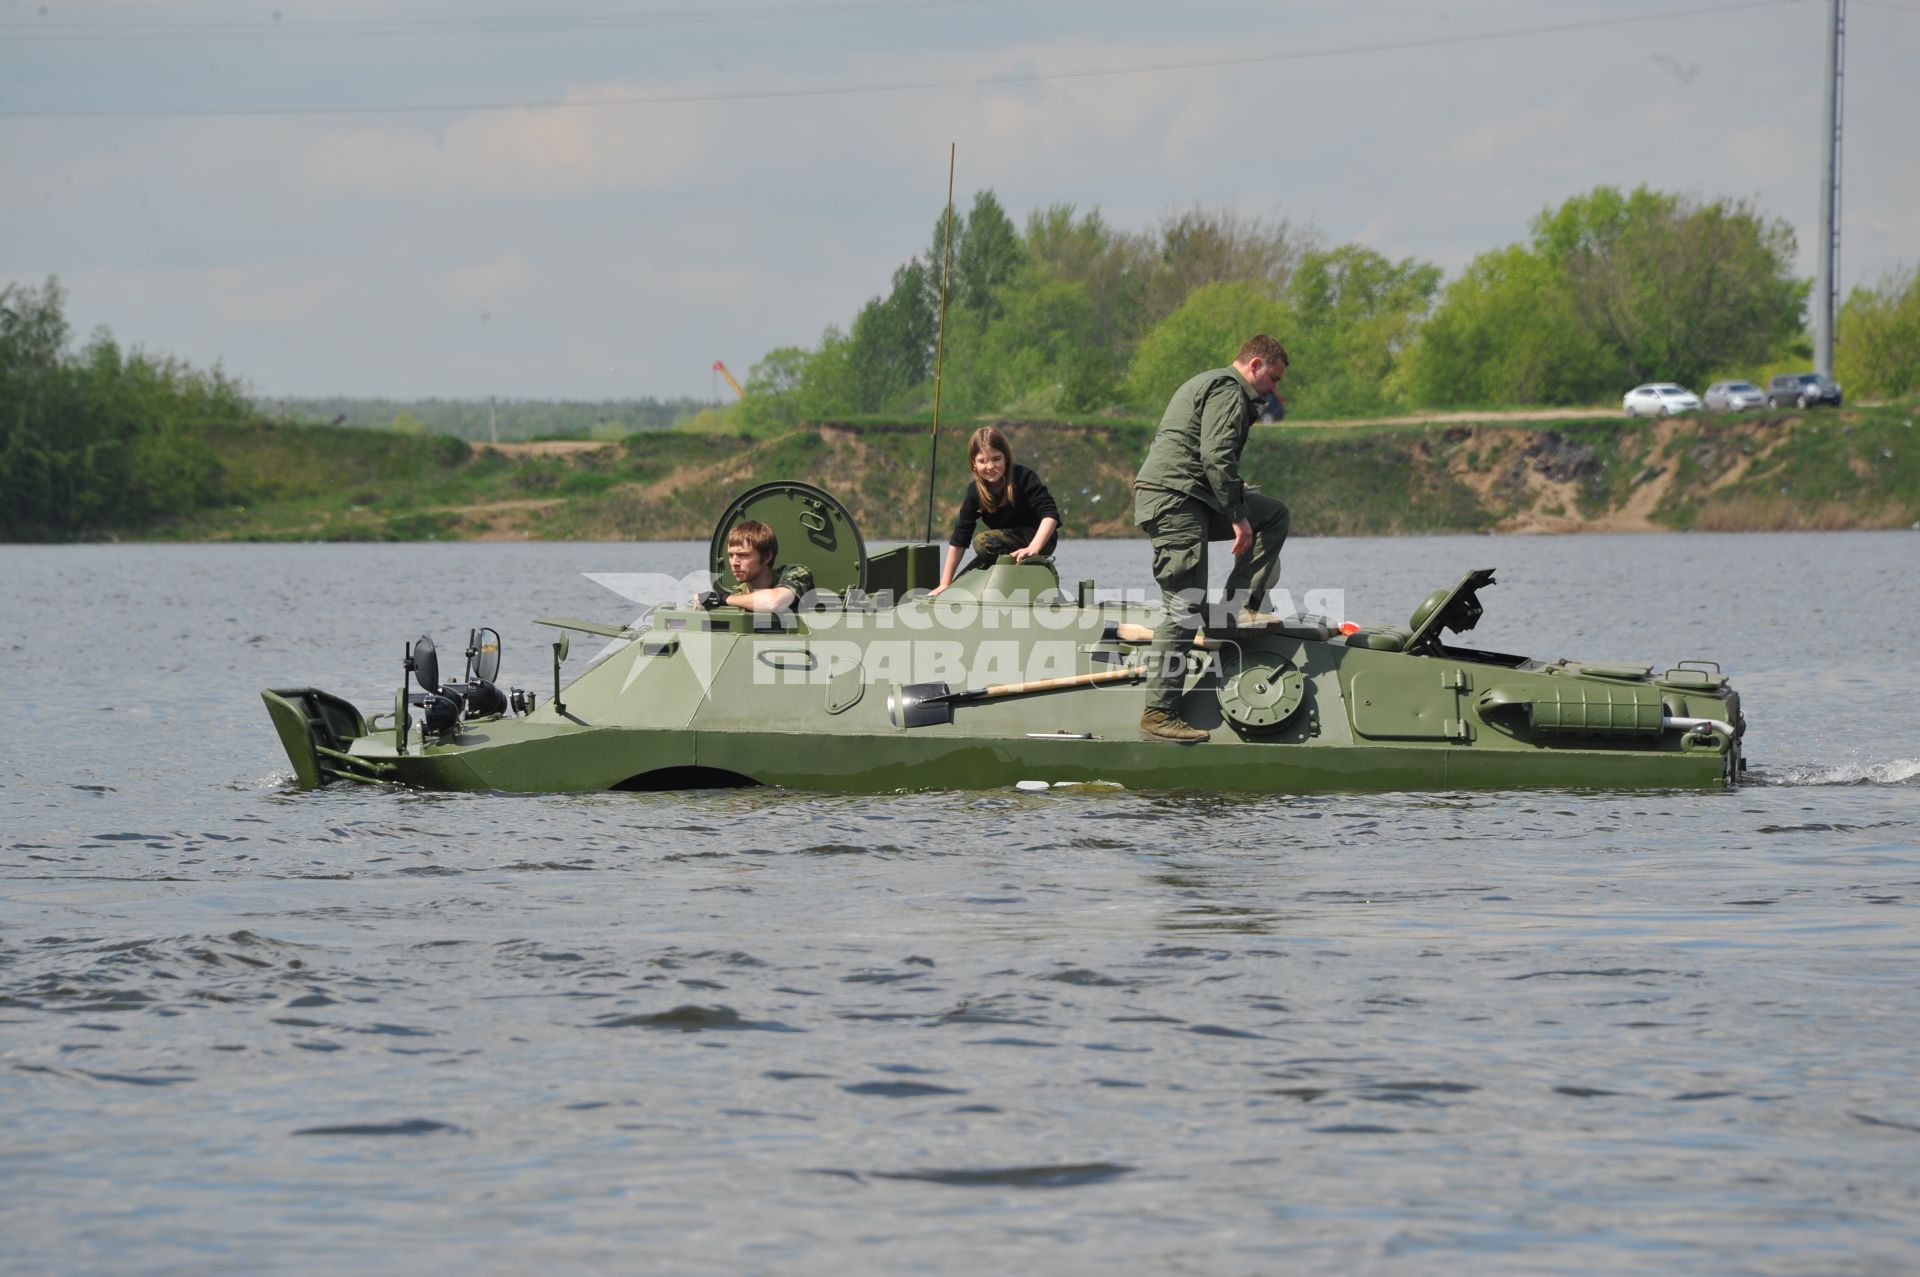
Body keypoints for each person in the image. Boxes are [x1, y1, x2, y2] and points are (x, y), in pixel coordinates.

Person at [1132, 334, 1293, 744]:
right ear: (1255, 364)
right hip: (1174, 500)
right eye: (1273, 379)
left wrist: (1241, 500)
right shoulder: (1228, 388)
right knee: (1185, 604)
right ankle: (1159, 712)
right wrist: (1238, 516)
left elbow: (1214, 462)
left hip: (1194, 496)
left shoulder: (1222, 387)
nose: (1274, 389)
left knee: (1272, 514)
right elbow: (1215, 455)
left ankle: (1237, 611)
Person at [928, 425, 1061, 598]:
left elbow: (1050, 514)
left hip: (1040, 539)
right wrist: (945, 582)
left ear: (1006, 458)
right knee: (958, 586)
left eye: (996, 459)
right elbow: (960, 537)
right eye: (983, 461)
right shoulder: (975, 492)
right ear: (973, 464)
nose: (990, 466)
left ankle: (1019, 570)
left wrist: (1034, 547)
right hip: (1003, 545)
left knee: (983, 542)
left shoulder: (1023, 477)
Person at [695, 519, 814, 614]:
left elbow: (775, 602)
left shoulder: (797, 574)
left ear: (767, 556)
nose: (734, 562)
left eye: (743, 555)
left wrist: (724, 599)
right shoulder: (738, 594)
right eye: (731, 555)